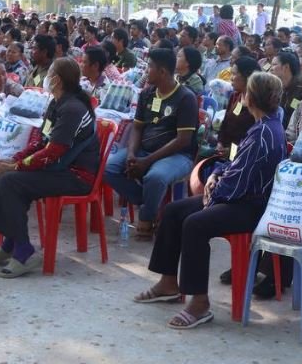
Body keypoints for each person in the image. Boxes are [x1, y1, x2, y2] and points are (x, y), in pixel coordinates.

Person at [134, 71, 285, 327]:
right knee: (173, 211)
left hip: (251, 206)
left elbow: (240, 182)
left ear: (251, 98)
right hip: (237, 196)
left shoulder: (264, 133)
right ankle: (168, 283)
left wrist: (214, 194)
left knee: (195, 224)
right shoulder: (262, 125)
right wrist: (216, 174)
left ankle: (200, 302)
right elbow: (236, 165)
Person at [0, 58, 100, 277]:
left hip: (75, 176)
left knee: (10, 181)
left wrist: (16, 167)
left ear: (57, 80)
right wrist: (13, 160)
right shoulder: (56, 103)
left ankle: (23, 251)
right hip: (57, 168)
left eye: (50, 73)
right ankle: (11, 242)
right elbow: (41, 142)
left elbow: (53, 151)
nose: (47, 78)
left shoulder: (72, 109)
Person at [103, 48, 199, 240]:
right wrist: (132, 154)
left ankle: (146, 218)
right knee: (108, 168)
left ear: (162, 72)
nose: (146, 71)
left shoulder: (185, 97)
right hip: (144, 150)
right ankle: (147, 202)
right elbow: (137, 127)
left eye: (150, 67)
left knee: (155, 177)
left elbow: (183, 140)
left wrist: (146, 162)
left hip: (177, 155)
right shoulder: (147, 94)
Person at [216, 58, 261, 160]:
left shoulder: (258, 105)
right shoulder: (236, 96)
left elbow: (252, 141)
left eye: (234, 74)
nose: (231, 78)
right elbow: (225, 122)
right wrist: (220, 142)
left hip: (241, 157)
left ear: (247, 76)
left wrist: (231, 152)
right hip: (222, 151)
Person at [271, 51, 302, 130]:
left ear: (286, 67)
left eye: (274, 64)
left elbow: (292, 114)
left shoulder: (301, 90)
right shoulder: (276, 87)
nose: (271, 68)